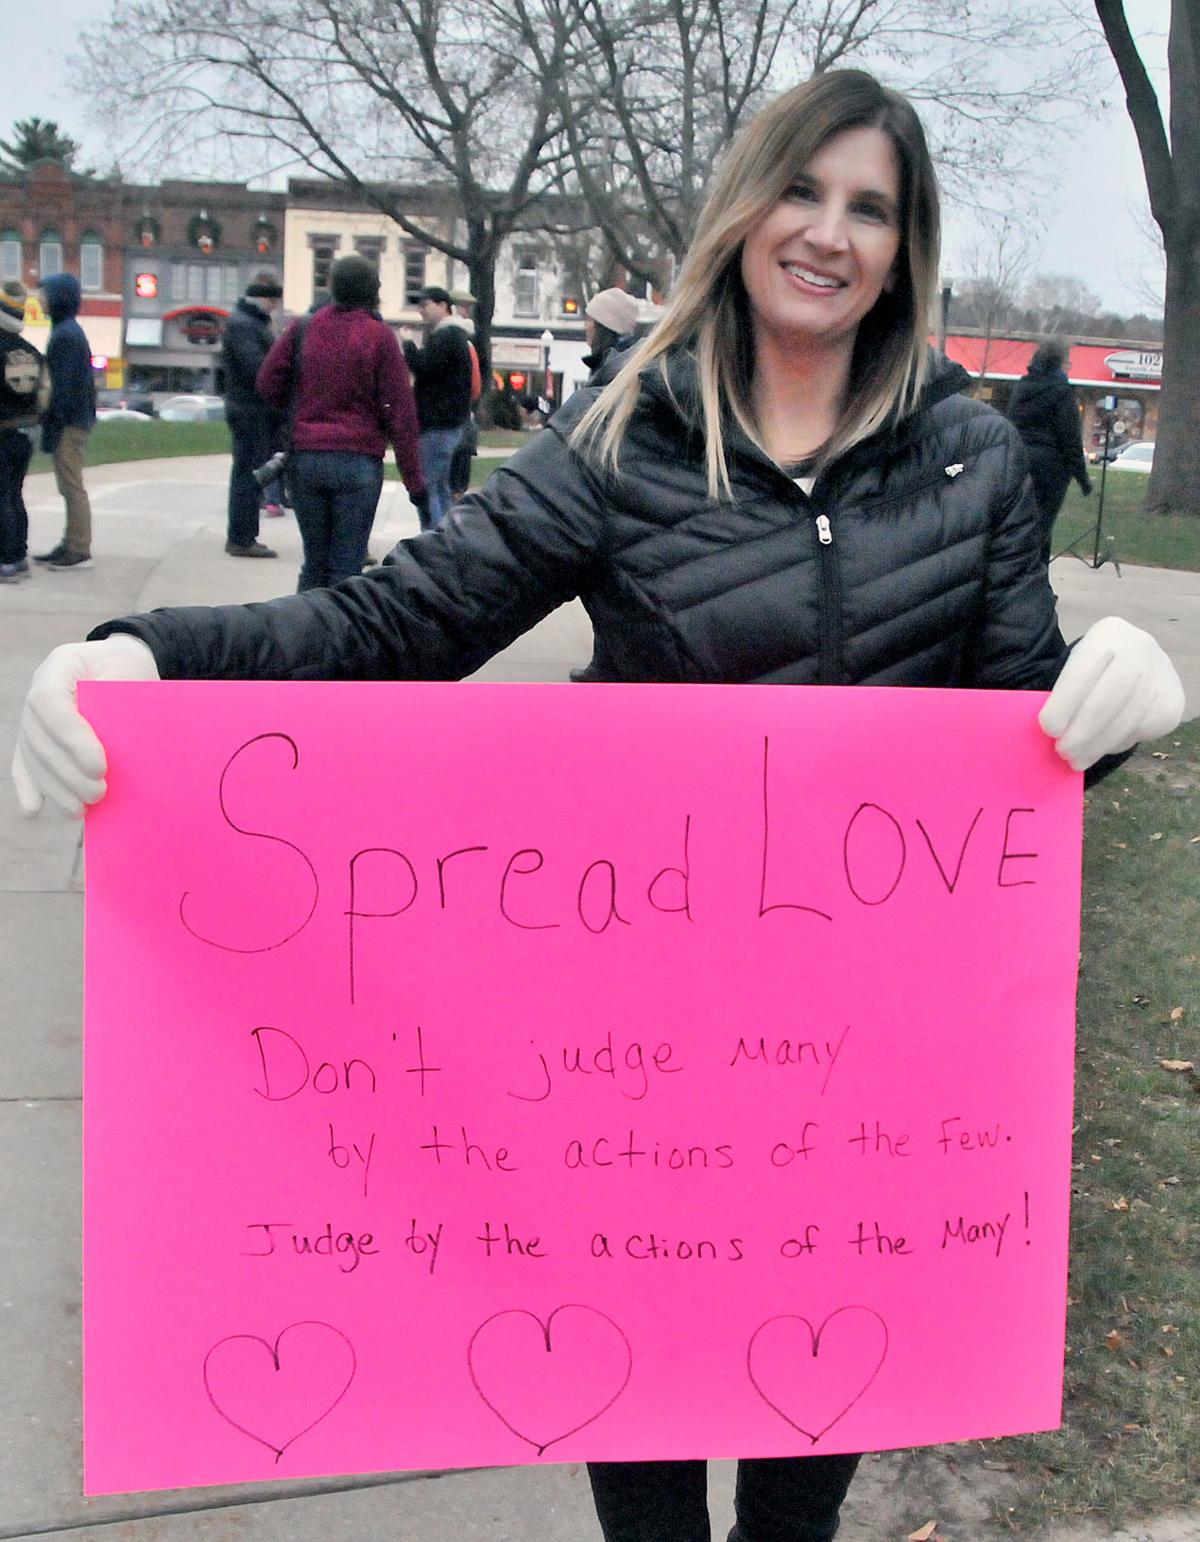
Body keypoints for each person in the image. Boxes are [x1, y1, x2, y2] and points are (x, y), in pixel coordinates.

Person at [10, 70, 1185, 1542]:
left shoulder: (973, 458)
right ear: (745, 206)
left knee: (802, 1458)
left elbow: (1029, 722)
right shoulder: (627, 431)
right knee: (640, 1436)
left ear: (907, 244)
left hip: (871, 1070)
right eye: (802, 189)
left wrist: (1117, 690)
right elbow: (400, 624)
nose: (827, 231)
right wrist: (150, 658)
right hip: (645, 1058)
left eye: (869, 206)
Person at [255, 254, 426, 591]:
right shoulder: (379, 337)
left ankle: (305, 635)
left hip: (307, 457)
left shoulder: (302, 329)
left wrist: (295, 413)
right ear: (371, 292)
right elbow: (400, 413)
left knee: (314, 563)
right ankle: (340, 640)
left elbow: (267, 382)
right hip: (358, 459)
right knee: (346, 567)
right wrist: (414, 480)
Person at [570, 287, 642, 679]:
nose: (584, 327)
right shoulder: (622, 365)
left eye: (589, 320)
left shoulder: (613, 372)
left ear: (600, 326)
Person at [1005, 339, 1092, 565]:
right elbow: (1070, 439)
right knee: (1042, 525)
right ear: (1060, 363)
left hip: (1018, 460)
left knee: (1020, 522)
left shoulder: (1022, 387)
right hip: (1050, 468)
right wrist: (1082, 478)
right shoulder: (1062, 393)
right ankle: (1034, 580)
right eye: (1068, 363)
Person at [33, 273, 96, 571]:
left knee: (71, 485)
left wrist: (51, 422)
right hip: (75, 417)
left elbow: (64, 387)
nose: (40, 299)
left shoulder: (65, 335)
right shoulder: (67, 331)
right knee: (68, 484)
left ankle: (78, 546)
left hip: (69, 421)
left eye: (45, 294)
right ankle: (71, 541)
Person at [220, 274, 284, 560]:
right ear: (264, 298)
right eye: (272, 301)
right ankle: (243, 537)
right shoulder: (246, 326)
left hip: (246, 408)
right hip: (250, 410)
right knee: (249, 473)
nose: (274, 307)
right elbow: (257, 369)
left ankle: (242, 534)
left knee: (246, 472)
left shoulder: (244, 323)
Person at [401, 284, 473, 529]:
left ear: (443, 305)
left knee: (430, 486)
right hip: (446, 423)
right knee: (440, 487)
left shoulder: (447, 336)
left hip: (437, 424)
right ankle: (443, 538)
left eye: (425, 305)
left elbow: (423, 367)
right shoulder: (454, 336)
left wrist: (408, 344)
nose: (421, 311)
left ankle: (434, 540)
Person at [0, 282, 45, 584]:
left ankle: (5, 559)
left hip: (2, 431)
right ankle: (19, 555)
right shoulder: (31, 351)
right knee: (15, 495)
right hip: (26, 432)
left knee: (2, 497)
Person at [446, 288, 483, 499]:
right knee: (458, 481)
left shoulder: (434, 338)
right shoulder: (466, 344)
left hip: (438, 421)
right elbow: (475, 386)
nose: (467, 312)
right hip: (459, 417)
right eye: (464, 307)